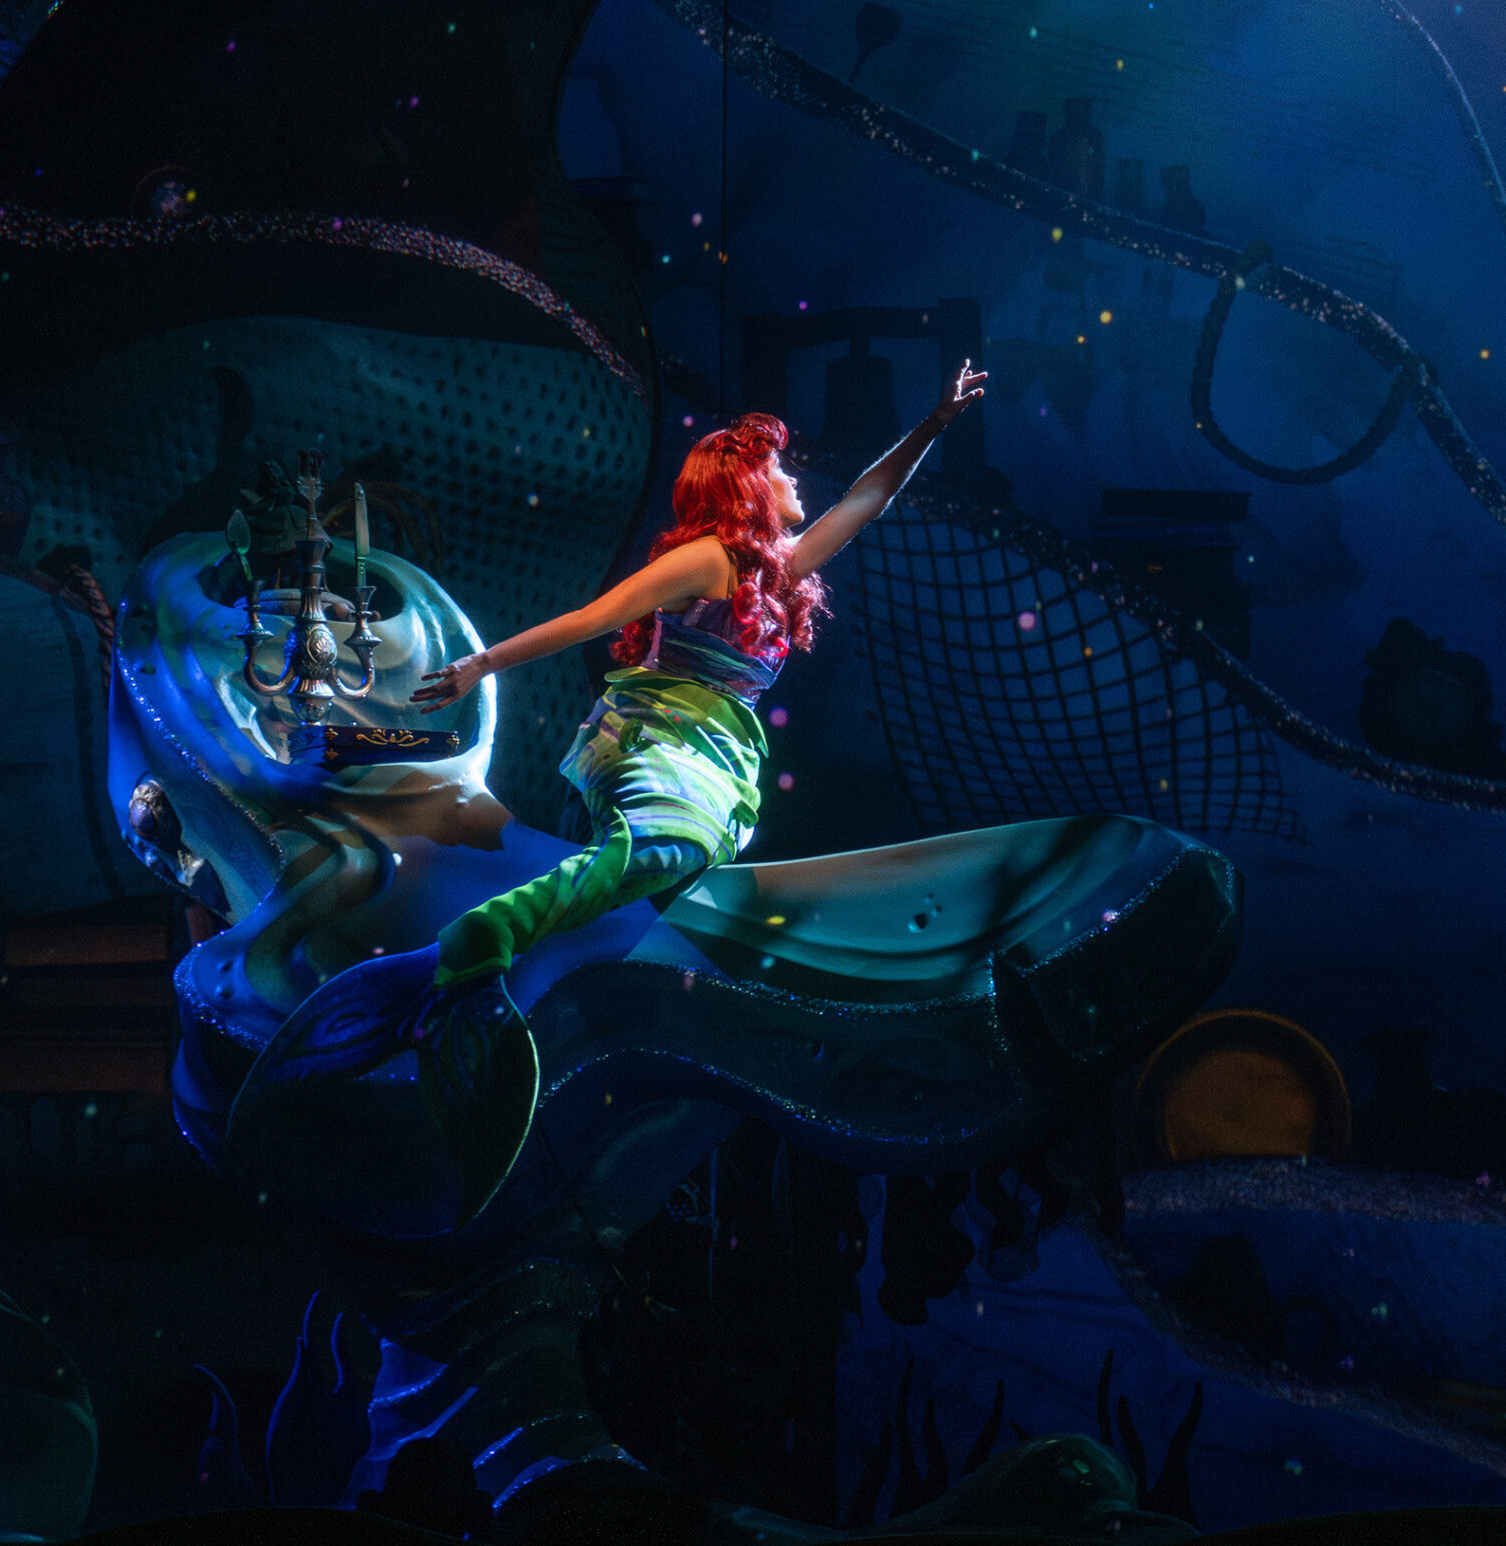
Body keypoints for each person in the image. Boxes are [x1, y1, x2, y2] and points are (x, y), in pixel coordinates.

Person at [230, 362, 988, 1223]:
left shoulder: (777, 573)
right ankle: (488, 931)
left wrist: (934, 422)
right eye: (777, 468)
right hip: (655, 735)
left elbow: (866, 499)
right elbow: (595, 618)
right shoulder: (707, 559)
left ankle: (567, 997)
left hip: (717, 751)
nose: (793, 479)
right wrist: (480, 665)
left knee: (688, 867)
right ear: (743, 485)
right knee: (674, 845)